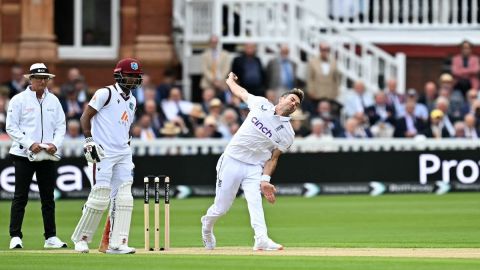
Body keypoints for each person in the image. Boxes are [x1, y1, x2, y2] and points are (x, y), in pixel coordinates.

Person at [201, 72, 304, 251]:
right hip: (232, 159)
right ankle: (207, 226)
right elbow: (241, 93)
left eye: (297, 103)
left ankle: (261, 239)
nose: (294, 104)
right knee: (221, 208)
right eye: (292, 99)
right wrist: (229, 81)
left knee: (255, 201)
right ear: (282, 98)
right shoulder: (261, 104)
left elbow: (273, 158)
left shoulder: (288, 134)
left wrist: (265, 181)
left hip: (254, 166)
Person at [71, 58, 142, 254]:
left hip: (123, 153)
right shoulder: (106, 93)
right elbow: (85, 117)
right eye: (130, 75)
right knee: (100, 195)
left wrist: (127, 147)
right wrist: (89, 140)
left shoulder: (133, 101)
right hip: (103, 152)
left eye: (136, 76)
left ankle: (117, 243)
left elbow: (126, 127)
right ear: (119, 75)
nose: (133, 80)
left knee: (124, 197)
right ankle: (81, 239)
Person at [6, 63, 66, 249]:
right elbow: (11, 127)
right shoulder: (18, 100)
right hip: (24, 154)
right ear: (30, 79)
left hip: (47, 155)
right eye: (39, 78)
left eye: (45, 78)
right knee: (20, 197)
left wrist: (55, 144)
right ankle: (15, 236)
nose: (42, 81)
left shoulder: (54, 100)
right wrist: (29, 143)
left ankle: (50, 237)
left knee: (48, 197)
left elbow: (61, 125)